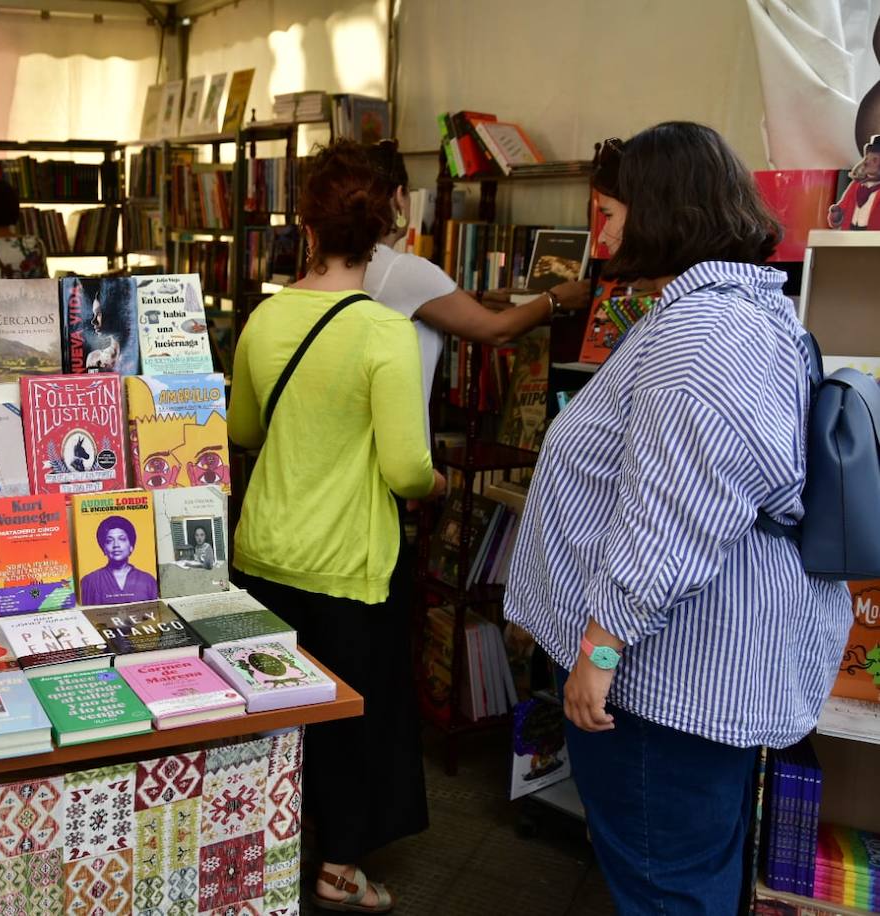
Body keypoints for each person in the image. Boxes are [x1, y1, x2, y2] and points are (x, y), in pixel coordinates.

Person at [503, 122, 852, 914]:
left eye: (611, 209)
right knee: (692, 873)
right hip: (684, 675)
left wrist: (601, 644)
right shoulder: (727, 312)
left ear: (661, 207)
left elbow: (675, 513)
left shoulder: (703, 335)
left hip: (663, 688)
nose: (602, 231)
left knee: (667, 885)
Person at [228, 139, 443, 914]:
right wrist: (440, 478)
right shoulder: (385, 333)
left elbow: (244, 430)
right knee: (358, 724)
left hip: (264, 555)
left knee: (275, 718)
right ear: (387, 230)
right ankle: (339, 867)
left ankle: (260, 853)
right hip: (349, 563)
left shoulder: (264, 317)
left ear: (305, 227)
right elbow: (407, 472)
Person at [364, 139, 589, 407]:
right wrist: (555, 299)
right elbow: (496, 330)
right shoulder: (405, 269)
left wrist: (476, 297)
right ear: (400, 198)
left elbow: (416, 302)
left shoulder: (357, 265)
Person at [79, 516, 158, 605]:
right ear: (104, 548)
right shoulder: (90, 581)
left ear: (131, 546)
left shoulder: (148, 580)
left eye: (122, 539)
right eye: (109, 541)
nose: (116, 545)